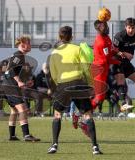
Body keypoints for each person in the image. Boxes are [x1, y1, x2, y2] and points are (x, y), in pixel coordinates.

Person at [47, 26, 102, 155]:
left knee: (57, 115)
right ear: (72, 37)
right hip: (78, 83)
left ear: (59, 37)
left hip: (62, 85)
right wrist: (91, 85)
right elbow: (85, 68)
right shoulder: (77, 49)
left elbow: (53, 74)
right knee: (87, 115)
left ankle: (54, 145)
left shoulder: (54, 53)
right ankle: (94, 147)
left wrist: (58, 87)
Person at [0, 35, 40, 142]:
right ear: (23, 44)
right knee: (23, 109)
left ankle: (12, 136)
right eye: (29, 43)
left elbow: (8, 70)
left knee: (14, 110)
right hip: (10, 86)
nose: (31, 45)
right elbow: (11, 71)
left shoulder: (18, 56)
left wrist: (25, 82)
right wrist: (19, 81)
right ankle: (26, 135)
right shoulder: (19, 55)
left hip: (7, 85)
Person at [90, 20, 130, 116]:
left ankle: (87, 112)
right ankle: (84, 111)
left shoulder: (106, 37)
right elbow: (107, 59)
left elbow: (111, 49)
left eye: (107, 26)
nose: (107, 28)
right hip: (99, 70)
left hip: (104, 70)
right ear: (99, 29)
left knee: (102, 95)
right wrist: (118, 61)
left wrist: (117, 52)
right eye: (105, 27)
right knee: (99, 96)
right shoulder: (101, 42)